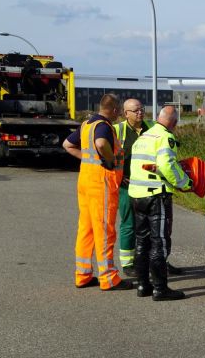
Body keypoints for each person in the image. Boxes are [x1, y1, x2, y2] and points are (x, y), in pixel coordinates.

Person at [62, 94, 132, 291]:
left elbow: (67, 145)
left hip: (85, 181)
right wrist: (108, 161)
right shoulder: (104, 126)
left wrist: (87, 158)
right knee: (104, 231)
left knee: (87, 230)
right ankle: (109, 278)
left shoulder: (86, 124)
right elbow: (101, 144)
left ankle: (82, 275)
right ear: (115, 110)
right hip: (102, 184)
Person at [113, 100, 183, 278]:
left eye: (142, 109)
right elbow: (107, 156)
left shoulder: (152, 126)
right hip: (127, 185)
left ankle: (160, 263)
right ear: (125, 113)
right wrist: (120, 177)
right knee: (129, 224)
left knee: (158, 229)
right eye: (135, 110)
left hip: (152, 185)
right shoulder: (117, 130)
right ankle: (129, 264)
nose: (140, 113)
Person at [129, 105, 192, 300]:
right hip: (156, 195)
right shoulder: (166, 137)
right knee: (159, 242)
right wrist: (185, 183)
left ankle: (143, 285)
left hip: (136, 195)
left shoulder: (144, 137)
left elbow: (144, 165)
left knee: (142, 242)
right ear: (173, 123)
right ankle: (160, 289)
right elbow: (167, 165)